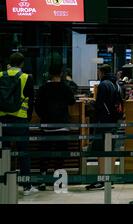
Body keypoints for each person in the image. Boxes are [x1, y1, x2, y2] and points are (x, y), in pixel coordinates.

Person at [0, 52, 37, 195]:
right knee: (23, 152)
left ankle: (4, 183)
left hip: (2, 120)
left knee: (4, 153)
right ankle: (26, 186)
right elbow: (31, 100)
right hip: (20, 119)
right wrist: (27, 118)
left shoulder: (0, 75)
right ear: (22, 63)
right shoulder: (26, 77)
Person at [35, 63, 75, 191]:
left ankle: (42, 180)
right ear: (61, 74)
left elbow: (37, 106)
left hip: (47, 126)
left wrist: (44, 118)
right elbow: (72, 101)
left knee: (44, 153)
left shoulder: (43, 88)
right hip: (62, 125)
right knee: (60, 154)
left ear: (49, 74)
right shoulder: (65, 87)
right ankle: (59, 182)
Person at [85, 64, 122, 190]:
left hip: (103, 122)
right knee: (110, 150)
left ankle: (101, 179)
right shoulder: (116, 84)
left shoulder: (103, 84)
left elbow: (100, 105)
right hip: (114, 121)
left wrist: (92, 106)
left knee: (100, 150)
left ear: (101, 72)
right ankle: (109, 179)